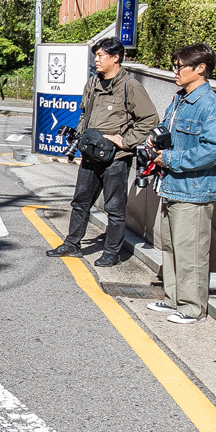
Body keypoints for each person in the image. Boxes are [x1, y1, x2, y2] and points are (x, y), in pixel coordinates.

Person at [46, 38, 157, 265]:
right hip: (90, 155)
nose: (96, 60)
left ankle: (111, 252)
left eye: (101, 56)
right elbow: (84, 116)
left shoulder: (130, 87)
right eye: (95, 55)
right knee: (80, 202)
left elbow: (149, 119)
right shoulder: (93, 84)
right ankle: (72, 244)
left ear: (116, 57)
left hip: (116, 159)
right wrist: (79, 137)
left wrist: (126, 141)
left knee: (114, 208)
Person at [146, 42, 216, 325]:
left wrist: (170, 159)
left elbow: (213, 149)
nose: (176, 71)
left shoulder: (211, 107)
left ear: (201, 68)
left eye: (181, 66)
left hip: (194, 191)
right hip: (172, 185)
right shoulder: (180, 99)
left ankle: (193, 308)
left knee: (191, 252)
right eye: (175, 65)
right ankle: (173, 298)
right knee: (171, 247)